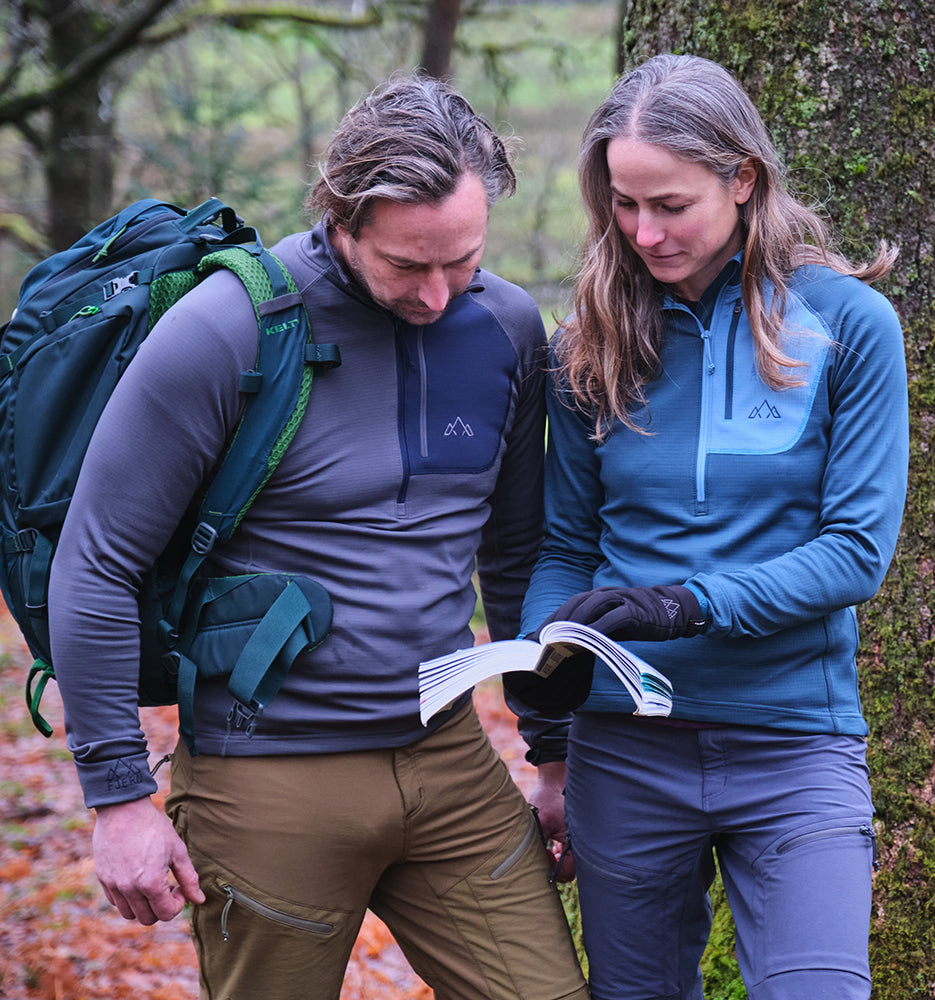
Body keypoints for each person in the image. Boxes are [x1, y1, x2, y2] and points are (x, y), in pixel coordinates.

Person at [48, 74, 589, 1000]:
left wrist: (551, 750)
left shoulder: (502, 328)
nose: (434, 293)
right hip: (266, 777)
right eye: (404, 265)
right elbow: (95, 562)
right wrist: (118, 798)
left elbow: (515, 554)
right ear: (342, 217)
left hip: (450, 762)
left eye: (459, 259)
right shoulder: (231, 330)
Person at [506, 54, 909, 1000]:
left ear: (743, 180)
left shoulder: (847, 325)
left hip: (793, 742)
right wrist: (547, 722)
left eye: (672, 205)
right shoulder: (587, 343)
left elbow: (855, 552)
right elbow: (564, 547)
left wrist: (683, 605)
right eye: (624, 204)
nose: (645, 232)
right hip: (624, 753)